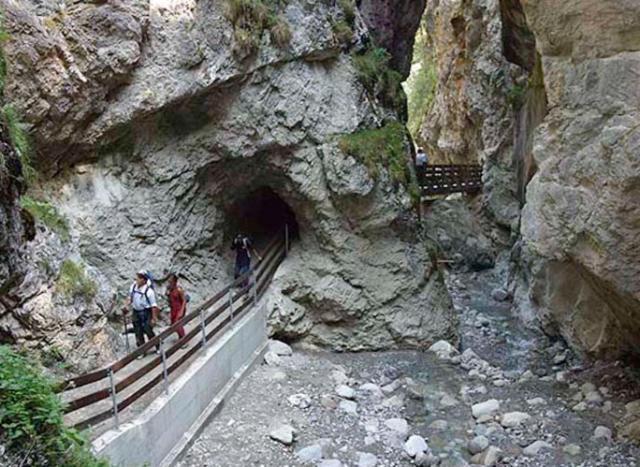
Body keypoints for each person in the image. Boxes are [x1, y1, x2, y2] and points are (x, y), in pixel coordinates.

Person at [123, 270, 159, 355]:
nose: (137, 279)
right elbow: (130, 298)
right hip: (136, 311)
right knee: (138, 331)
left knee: (148, 330)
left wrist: (154, 318)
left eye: (139, 277)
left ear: (144, 280)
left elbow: (154, 306)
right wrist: (126, 306)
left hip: (146, 312)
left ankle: (157, 345)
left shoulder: (149, 291)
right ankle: (142, 350)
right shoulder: (133, 287)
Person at [165, 273, 186, 341]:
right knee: (173, 324)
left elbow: (184, 301)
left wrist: (181, 311)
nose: (169, 283)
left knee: (178, 324)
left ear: (175, 282)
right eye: (168, 281)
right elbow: (169, 299)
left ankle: (184, 339)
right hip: (173, 309)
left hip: (179, 308)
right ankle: (180, 337)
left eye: (170, 282)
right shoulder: (169, 289)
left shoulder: (179, 290)